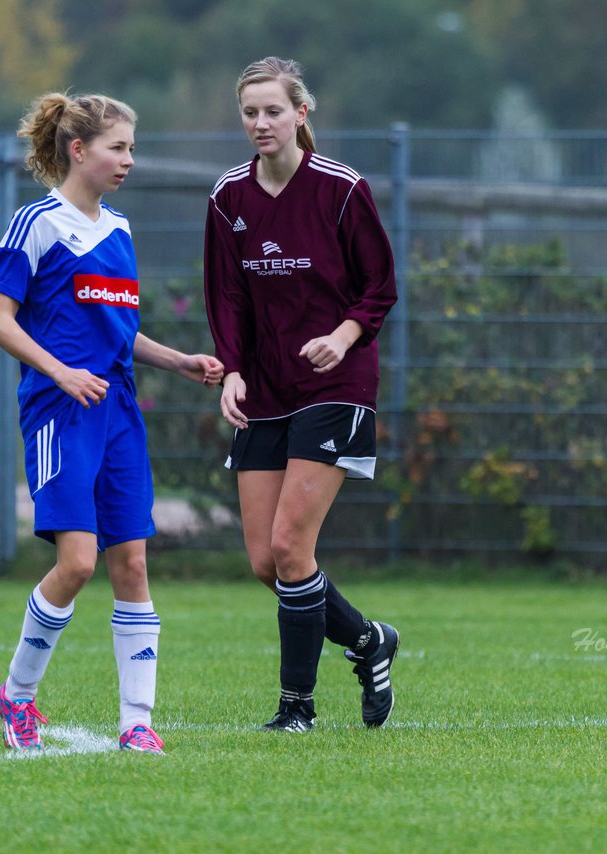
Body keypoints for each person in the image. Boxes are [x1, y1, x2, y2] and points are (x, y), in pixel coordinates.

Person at [0, 92, 224, 753]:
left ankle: (137, 721)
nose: (129, 160)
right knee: (78, 563)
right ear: (79, 150)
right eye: (118, 148)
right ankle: (17, 698)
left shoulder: (118, 229)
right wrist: (60, 372)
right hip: (61, 411)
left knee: (133, 565)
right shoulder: (37, 223)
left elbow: (120, 331)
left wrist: (177, 360)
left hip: (116, 410)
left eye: (133, 148)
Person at [203, 57, 401, 733]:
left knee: (291, 545)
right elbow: (226, 296)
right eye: (250, 112)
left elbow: (380, 286)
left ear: (301, 114)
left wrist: (343, 338)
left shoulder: (342, 190)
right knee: (268, 561)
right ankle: (371, 640)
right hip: (266, 388)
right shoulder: (228, 197)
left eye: (273, 111)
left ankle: (297, 707)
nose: (261, 123)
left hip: (336, 385)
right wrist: (231, 369)